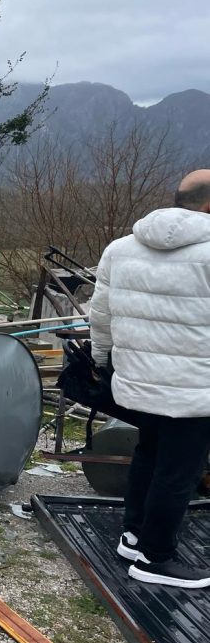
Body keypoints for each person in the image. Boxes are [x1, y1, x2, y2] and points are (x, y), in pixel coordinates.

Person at [90, 169, 210, 588]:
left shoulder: (120, 248)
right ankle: (156, 558)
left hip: (137, 381)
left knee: (149, 453)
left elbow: (100, 315)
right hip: (196, 389)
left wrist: (103, 360)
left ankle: (134, 534)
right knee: (179, 472)